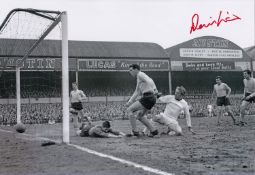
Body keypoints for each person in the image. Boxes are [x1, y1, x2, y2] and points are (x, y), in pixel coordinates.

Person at [126, 64, 159, 137]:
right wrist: (130, 101)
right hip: (151, 98)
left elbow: (149, 80)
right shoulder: (138, 78)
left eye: (131, 70)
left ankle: (135, 131)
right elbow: (137, 92)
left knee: (129, 110)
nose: (130, 72)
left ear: (136, 69)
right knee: (140, 116)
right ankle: (154, 131)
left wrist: (155, 89)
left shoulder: (140, 74)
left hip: (148, 96)